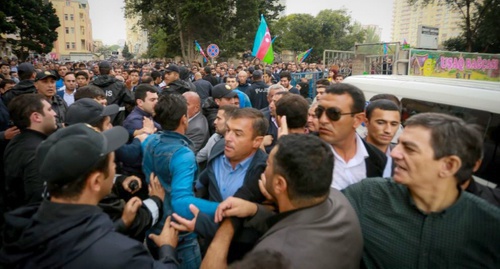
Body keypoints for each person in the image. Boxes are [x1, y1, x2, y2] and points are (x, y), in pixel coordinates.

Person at [0, 124, 180, 268]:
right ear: (95, 182)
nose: (115, 169)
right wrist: (167, 249)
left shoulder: (20, 227)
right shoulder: (122, 256)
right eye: (112, 163)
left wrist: (121, 224)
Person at [343, 112, 500, 268]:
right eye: (398, 144)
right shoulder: (367, 195)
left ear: (449, 166)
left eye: (410, 149)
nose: (395, 153)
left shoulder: (490, 226)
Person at [203, 135, 363, 269]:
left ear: (279, 184)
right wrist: (255, 210)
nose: (264, 170)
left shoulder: (274, 255)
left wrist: (223, 234)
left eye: (268, 165)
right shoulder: (340, 201)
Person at [172, 108, 269, 261]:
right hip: (208, 245)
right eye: (228, 130)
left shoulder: (264, 172)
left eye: (238, 134)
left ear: (257, 141)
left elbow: (258, 226)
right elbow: (205, 178)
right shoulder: (218, 149)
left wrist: (203, 224)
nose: (228, 138)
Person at [142, 94, 219, 268]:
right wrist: (223, 208)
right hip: (179, 233)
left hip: (154, 226)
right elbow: (181, 201)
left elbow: (142, 141)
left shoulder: (150, 141)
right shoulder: (183, 155)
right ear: (184, 119)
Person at [317, 83, 386, 190]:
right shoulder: (300, 153)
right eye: (319, 112)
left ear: (358, 119)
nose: (322, 120)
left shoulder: (378, 160)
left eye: (334, 113)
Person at [4, 94, 57, 211]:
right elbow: (38, 200)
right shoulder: (37, 151)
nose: (54, 113)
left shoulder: (17, 141)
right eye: (49, 109)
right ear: (36, 117)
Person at [90, 61, 135, 126]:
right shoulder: (119, 85)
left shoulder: (91, 85)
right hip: (116, 122)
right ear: (111, 71)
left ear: (99, 71)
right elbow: (131, 98)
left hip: (97, 122)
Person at [364, 99, 401, 177]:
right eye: (380, 123)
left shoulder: (401, 157)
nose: (388, 130)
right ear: (366, 122)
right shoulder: (350, 152)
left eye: (394, 124)